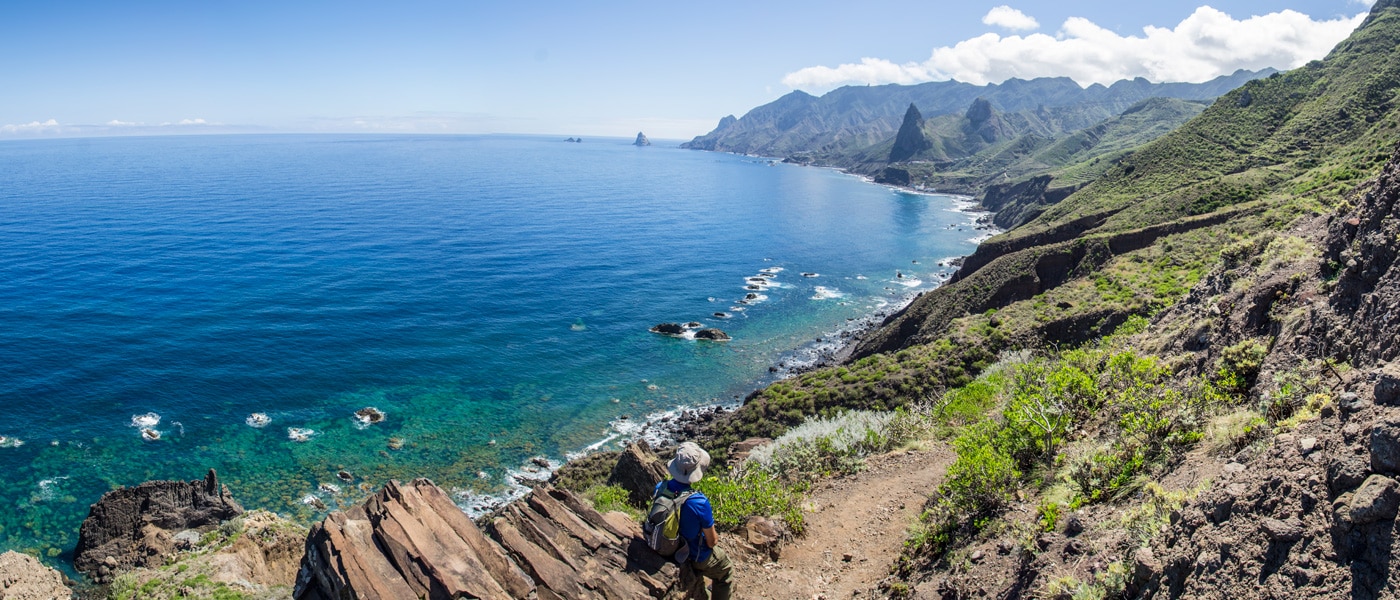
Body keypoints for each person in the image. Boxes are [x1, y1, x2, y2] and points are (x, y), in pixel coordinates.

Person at [655, 441, 733, 600]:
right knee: (726, 571)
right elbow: (711, 542)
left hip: (667, 546)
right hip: (694, 556)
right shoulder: (699, 502)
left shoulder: (660, 487)